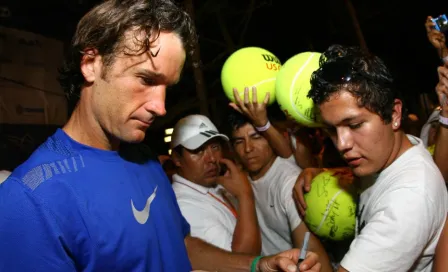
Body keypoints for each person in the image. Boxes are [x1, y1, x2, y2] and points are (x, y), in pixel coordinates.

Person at [0, 1, 321, 271]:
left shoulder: (142, 157)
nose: (160, 106)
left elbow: (179, 243)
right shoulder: (30, 200)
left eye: (166, 86)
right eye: (144, 79)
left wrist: (257, 264)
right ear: (91, 64)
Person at [293, 44, 448, 271]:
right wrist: (320, 172)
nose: (342, 144)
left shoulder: (409, 199)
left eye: (354, 125)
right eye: (332, 131)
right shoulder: (390, 157)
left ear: (394, 115)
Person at [226, 87, 332, 271]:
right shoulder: (239, 182)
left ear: (269, 139)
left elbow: (315, 257)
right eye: (239, 141)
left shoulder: (289, 183)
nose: (248, 149)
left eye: (256, 137)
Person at [170, 114, 261, 254]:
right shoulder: (184, 207)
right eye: (198, 151)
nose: (211, 158)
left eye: (214, 147)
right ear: (177, 158)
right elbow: (242, 263)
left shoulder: (216, 184)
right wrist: (245, 196)